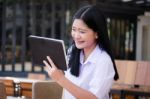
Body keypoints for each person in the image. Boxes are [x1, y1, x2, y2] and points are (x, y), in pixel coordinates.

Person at [43, 4, 119, 99]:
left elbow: (93, 97)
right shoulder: (72, 51)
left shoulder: (103, 61)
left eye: (82, 32)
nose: (76, 36)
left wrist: (60, 78)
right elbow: (66, 90)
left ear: (96, 34)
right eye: (74, 30)